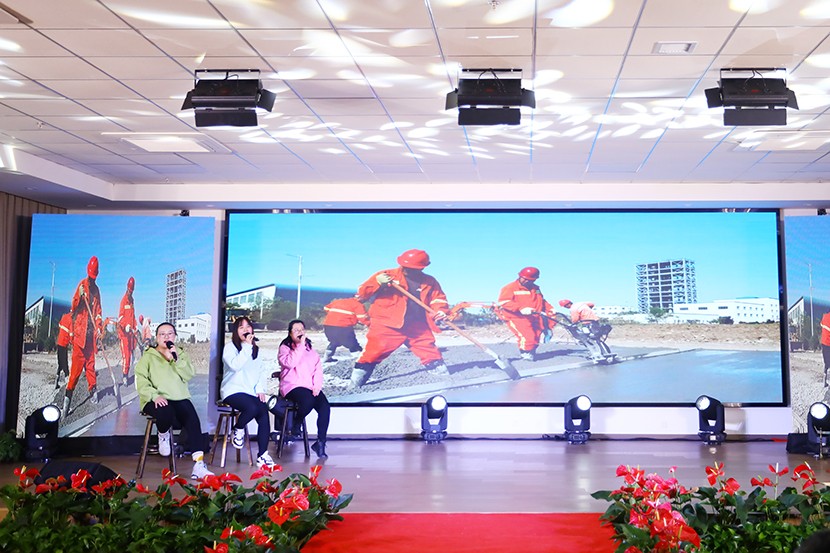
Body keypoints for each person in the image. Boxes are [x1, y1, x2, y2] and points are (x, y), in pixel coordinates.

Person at [350, 249, 450, 387]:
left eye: (411, 267)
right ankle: (355, 385)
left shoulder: (430, 281)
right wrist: (377, 283)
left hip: (417, 326)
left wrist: (440, 311)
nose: (406, 269)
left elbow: (438, 299)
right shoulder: (386, 275)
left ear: (422, 267)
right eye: (405, 266)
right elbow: (361, 295)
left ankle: (446, 381)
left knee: (430, 352)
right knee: (372, 353)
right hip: (387, 324)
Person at [135, 322, 214, 480]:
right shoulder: (148, 357)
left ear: (175, 337)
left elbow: (189, 375)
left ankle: (198, 465)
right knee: (165, 411)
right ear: (157, 338)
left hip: (178, 396)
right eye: (162, 334)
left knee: (192, 418)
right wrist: (154, 396)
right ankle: (163, 434)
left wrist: (176, 360)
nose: (166, 337)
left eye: (169, 334)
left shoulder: (180, 354)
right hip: (154, 398)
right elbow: (141, 381)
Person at [220, 317, 276, 468]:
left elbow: (260, 372)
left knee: (263, 410)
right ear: (235, 331)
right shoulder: (230, 348)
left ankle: (262, 455)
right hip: (232, 390)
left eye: (248, 327)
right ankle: (238, 429)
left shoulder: (256, 350)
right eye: (241, 327)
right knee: (251, 408)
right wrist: (246, 346)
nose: (245, 330)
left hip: (249, 392)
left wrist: (260, 390)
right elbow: (235, 366)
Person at [278, 319, 331, 458]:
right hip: (292, 386)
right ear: (290, 333)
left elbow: (318, 371)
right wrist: (300, 346)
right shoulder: (285, 348)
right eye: (296, 330)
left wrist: (316, 387)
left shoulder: (311, 351)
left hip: (309, 387)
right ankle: (296, 425)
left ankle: (320, 443)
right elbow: (290, 363)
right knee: (308, 400)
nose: (300, 332)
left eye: (302, 329)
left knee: (325, 407)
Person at [64, 255, 103, 413]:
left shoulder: (97, 291)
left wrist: (99, 327)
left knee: (91, 366)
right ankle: (67, 399)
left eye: (94, 276)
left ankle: (93, 391)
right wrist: (79, 297)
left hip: (90, 336)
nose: (92, 279)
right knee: (75, 371)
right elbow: (73, 308)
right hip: (80, 335)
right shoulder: (81, 285)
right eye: (91, 276)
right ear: (88, 272)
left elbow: (98, 312)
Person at [497, 266, 555, 361]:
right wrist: (520, 308)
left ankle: (531, 351)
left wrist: (550, 308)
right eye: (525, 279)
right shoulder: (510, 288)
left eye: (531, 280)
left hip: (534, 316)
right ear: (520, 276)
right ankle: (526, 354)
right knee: (528, 336)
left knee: (536, 335)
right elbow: (504, 302)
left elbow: (541, 300)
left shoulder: (536, 288)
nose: (527, 281)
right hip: (516, 317)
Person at [322, 295, 369, 363]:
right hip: (343, 328)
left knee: (334, 342)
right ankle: (360, 362)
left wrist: (336, 315)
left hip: (328, 326)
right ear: (361, 299)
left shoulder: (338, 301)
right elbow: (363, 318)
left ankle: (326, 358)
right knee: (353, 345)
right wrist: (370, 325)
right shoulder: (358, 305)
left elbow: (326, 308)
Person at [117, 276, 137, 387]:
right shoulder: (123, 300)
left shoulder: (132, 301)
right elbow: (120, 318)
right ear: (127, 288)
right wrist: (126, 325)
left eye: (132, 291)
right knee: (126, 357)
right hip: (123, 335)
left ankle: (128, 373)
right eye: (129, 290)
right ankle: (125, 376)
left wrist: (135, 326)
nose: (130, 293)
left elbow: (133, 316)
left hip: (130, 334)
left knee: (131, 356)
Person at [54, 312, 72, 390]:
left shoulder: (64, 316)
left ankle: (56, 381)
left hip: (59, 342)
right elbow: (71, 335)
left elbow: (60, 325)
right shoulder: (71, 320)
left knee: (60, 363)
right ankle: (68, 384)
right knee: (65, 364)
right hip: (64, 344)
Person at [821, 310, 830, 387]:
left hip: (824, 343)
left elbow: (821, 324)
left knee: (826, 362)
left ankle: (824, 381)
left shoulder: (824, 317)